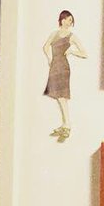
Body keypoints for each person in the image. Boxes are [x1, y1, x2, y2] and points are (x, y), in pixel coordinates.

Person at [43, 11, 87, 141]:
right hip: (54, 67)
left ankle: (67, 124)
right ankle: (65, 123)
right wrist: (49, 58)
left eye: (70, 20)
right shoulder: (54, 34)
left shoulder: (71, 37)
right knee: (58, 96)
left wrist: (72, 51)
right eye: (67, 19)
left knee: (62, 96)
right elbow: (45, 46)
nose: (68, 22)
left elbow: (84, 53)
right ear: (61, 20)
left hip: (63, 68)